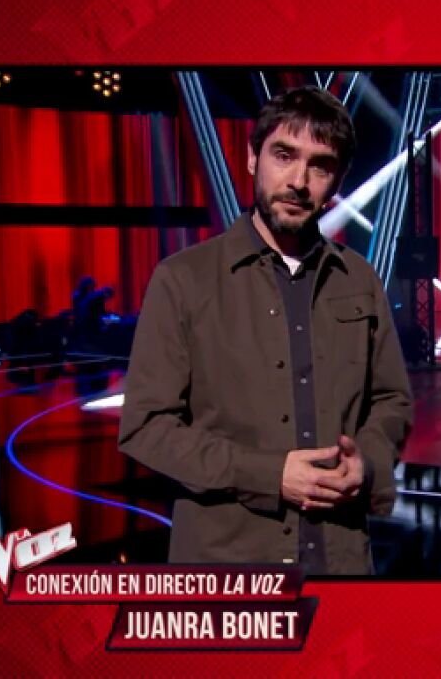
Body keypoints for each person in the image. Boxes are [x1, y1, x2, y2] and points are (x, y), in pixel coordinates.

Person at [118, 86, 413, 573]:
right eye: (284, 155)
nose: (299, 181)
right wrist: (269, 475)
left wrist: (368, 463)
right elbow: (146, 427)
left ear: (338, 180)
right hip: (228, 571)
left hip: (341, 562)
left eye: (320, 166)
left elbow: (391, 401)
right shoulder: (183, 279)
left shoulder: (359, 279)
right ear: (253, 158)